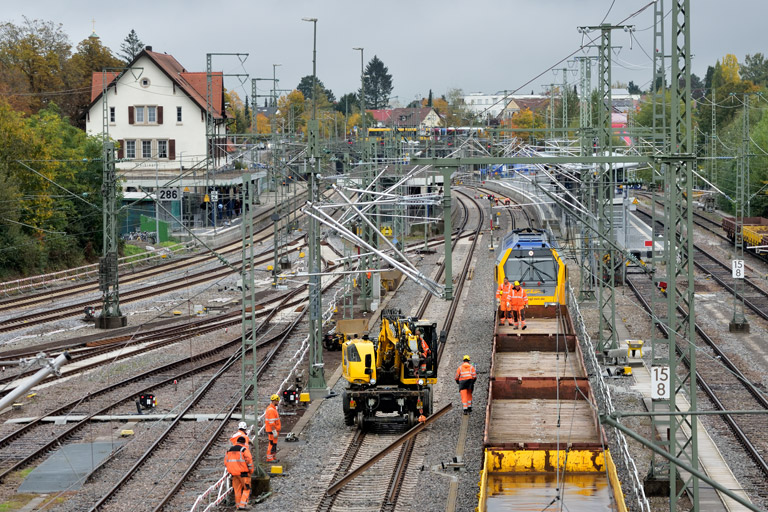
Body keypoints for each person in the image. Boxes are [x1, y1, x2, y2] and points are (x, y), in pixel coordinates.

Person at [224, 436, 253, 510]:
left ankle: (238, 505)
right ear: (244, 443)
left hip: (233, 474)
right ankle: (242, 505)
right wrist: (251, 470)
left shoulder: (229, 450)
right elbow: (249, 461)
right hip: (243, 473)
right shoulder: (244, 450)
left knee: (237, 490)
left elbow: (226, 462)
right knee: (247, 489)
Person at [265, 394, 281, 462]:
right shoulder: (271, 410)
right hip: (272, 430)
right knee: (271, 444)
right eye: (277, 401)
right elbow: (271, 422)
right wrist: (274, 430)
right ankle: (269, 458)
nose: (278, 402)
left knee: (274, 444)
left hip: (273, 430)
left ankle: (273, 456)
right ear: (274, 401)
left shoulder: (272, 409)